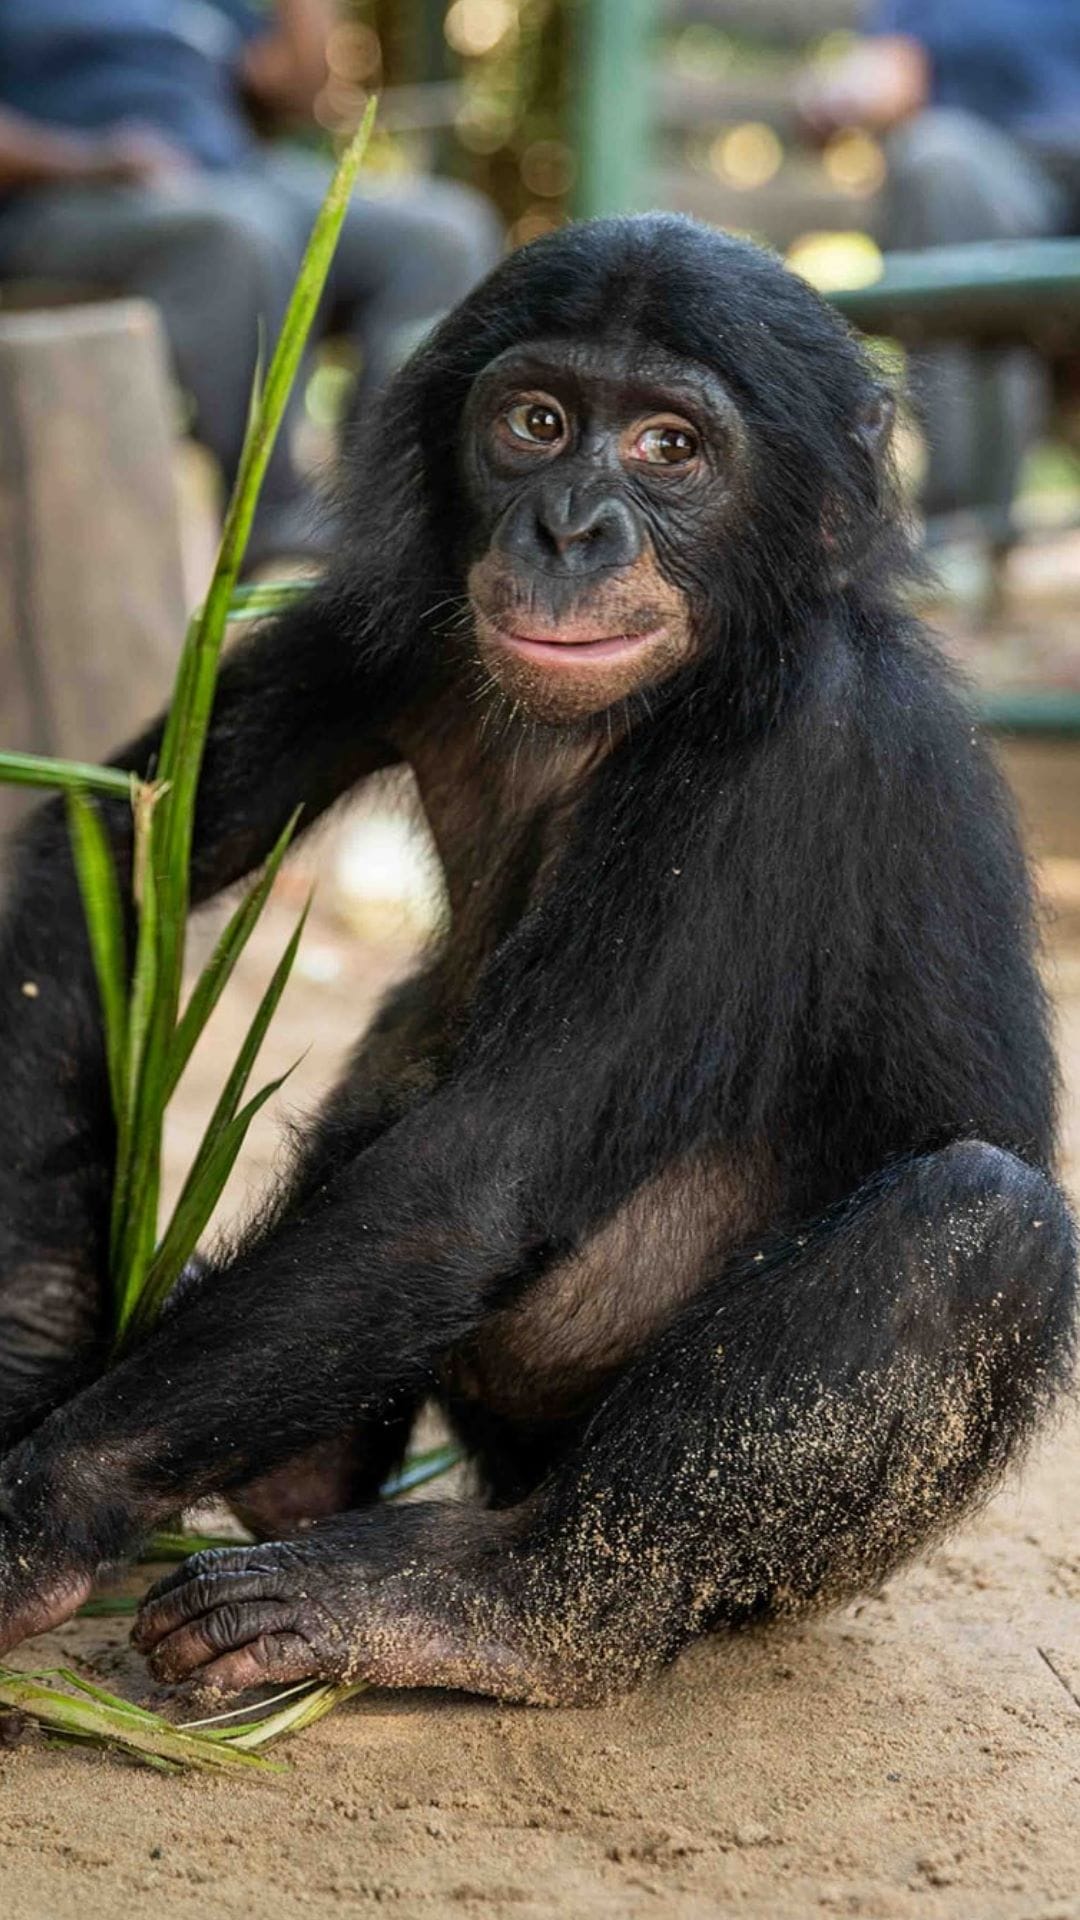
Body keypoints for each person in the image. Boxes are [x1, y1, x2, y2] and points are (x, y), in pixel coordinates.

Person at [0, 1, 501, 566]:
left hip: (230, 177)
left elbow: (295, 97)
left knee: (444, 236)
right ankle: (271, 516)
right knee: (233, 239)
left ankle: (385, 511)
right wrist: (89, 160)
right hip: (56, 202)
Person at [799, 1, 1080, 542]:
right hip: (1000, 183)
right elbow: (886, 71)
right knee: (940, 164)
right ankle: (969, 530)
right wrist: (844, 91)